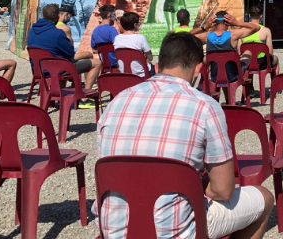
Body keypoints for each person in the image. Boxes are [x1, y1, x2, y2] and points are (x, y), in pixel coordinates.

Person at [96, 32, 274, 239]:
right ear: (198, 69)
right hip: (176, 231)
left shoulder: (117, 102)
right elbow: (223, 190)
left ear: (157, 66)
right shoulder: (205, 106)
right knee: (265, 197)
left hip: (115, 229)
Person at [27, 3, 102, 105]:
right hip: (57, 69)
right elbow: (70, 53)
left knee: (60, 58)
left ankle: (59, 96)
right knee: (97, 63)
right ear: (58, 16)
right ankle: (84, 97)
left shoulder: (32, 30)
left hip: (39, 69)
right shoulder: (57, 33)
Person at [205, 11, 259, 83]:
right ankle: (244, 75)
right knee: (248, 52)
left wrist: (205, 26)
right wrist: (237, 23)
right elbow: (256, 27)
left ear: (214, 23)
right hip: (233, 75)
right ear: (227, 23)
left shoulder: (207, 36)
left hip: (215, 76)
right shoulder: (233, 34)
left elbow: (188, 35)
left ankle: (228, 94)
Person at [238, 5, 280, 76]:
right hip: (262, 63)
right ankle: (274, 84)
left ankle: (249, 85)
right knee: (276, 59)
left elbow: (239, 52)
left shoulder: (241, 31)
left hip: (247, 62)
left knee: (246, 59)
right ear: (261, 16)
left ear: (249, 15)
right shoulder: (266, 31)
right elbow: (270, 52)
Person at [113, 12, 153, 78]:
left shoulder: (117, 38)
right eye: (139, 23)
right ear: (135, 25)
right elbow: (150, 57)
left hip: (123, 72)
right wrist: (148, 60)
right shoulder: (140, 38)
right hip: (141, 74)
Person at [91, 4, 119, 69]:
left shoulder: (95, 31)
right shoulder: (112, 30)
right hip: (116, 63)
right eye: (114, 14)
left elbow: (94, 49)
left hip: (104, 64)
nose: (115, 16)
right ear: (109, 15)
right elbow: (118, 46)